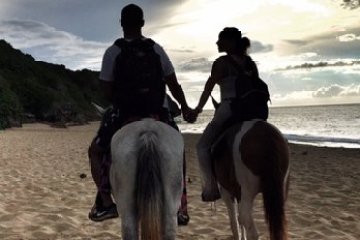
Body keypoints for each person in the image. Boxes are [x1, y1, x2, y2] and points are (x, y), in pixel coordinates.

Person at [88, 4, 194, 224]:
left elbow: (107, 89)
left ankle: (106, 203)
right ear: (143, 23)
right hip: (158, 110)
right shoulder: (156, 49)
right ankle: (181, 206)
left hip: (124, 111)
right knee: (178, 149)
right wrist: (184, 107)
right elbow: (173, 83)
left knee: (96, 151)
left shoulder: (113, 51)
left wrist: (121, 98)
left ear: (121, 24)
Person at [193, 27, 262, 202]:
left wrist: (197, 109)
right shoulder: (250, 62)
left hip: (229, 108)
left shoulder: (222, 63)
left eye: (220, 40)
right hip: (252, 110)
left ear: (230, 42)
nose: (217, 43)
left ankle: (210, 188)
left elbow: (208, 87)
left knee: (202, 147)